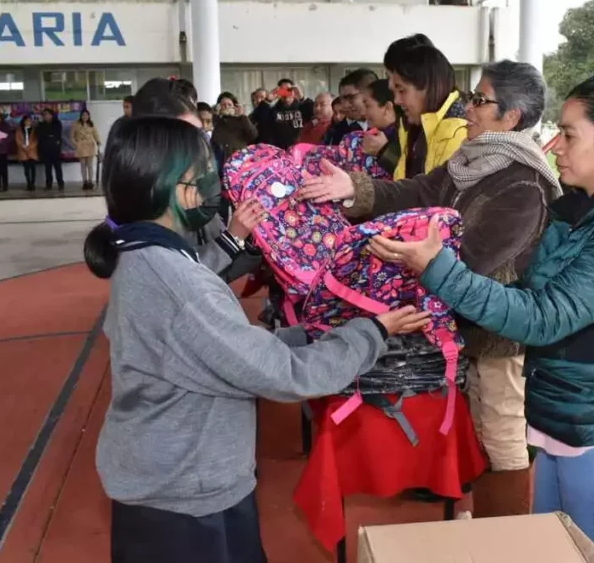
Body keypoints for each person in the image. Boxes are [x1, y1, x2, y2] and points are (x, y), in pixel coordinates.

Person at [359, 75, 594, 563]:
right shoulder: (582, 211)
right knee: (555, 548)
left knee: (593, 553)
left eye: (571, 135)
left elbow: (544, 318)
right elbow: (535, 294)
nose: (555, 147)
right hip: (566, 413)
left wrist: (439, 270)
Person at [83, 116, 431, 563]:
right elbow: (286, 377)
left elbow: (223, 351)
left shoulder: (147, 258)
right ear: (173, 188)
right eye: (203, 177)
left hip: (173, 480)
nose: (214, 190)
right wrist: (374, 331)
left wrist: (306, 334)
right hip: (184, 500)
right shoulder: (178, 283)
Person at [298, 60, 562, 518]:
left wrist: (400, 258)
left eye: (481, 100)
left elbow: (475, 259)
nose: (470, 107)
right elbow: (417, 191)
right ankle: (476, 524)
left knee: (501, 439)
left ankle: (507, 536)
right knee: (474, 435)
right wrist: (354, 189)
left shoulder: (525, 182)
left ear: (512, 117)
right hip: (459, 325)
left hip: (497, 339)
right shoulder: (470, 162)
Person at [130, 77, 263, 284]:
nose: (201, 145)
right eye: (188, 136)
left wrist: (251, 240)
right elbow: (177, 279)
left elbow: (224, 271)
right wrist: (232, 238)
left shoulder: (197, 189)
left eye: (200, 133)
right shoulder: (146, 208)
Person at [385, 43, 466, 179]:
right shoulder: (414, 128)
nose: (397, 101)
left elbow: (438, 195)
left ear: (427, 88)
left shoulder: (458, 132)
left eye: (402, 90)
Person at [359, 79, 403, 177]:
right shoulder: (371, 137)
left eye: (367, 106)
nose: (363, 113)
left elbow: (411, 175)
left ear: (387, 108)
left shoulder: (409, 136)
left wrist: (384, 150)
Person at [324, 69, 378, 145]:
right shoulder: (334, 132)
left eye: (350, 97)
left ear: (370, 94)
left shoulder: (390, 128)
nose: (345, 105)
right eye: (342, 98)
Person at [73, 109, 102, 190]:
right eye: (83, 115)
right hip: (81, 146)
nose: (85, 117)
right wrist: (76, 144)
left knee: (90, 166)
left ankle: (90, 181)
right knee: (83, 165)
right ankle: (84, 182)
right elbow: (72, 136)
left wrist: (98, 141)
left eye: (86, 115)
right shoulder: (76, 124)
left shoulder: (91, 124)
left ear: (88, 116)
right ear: (81, 116)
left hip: (90, 146)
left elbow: (96, 134)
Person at [37, 108, 64, 191]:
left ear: (51, 115)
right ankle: (49, 184)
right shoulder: (41, 125)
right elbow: (40, 135)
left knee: (58, 168)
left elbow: (57, 135)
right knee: (47, 168)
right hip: (45, 149)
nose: (45, 116)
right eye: (44, 115)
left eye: (47, 114)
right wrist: (49, 136)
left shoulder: (57, 123)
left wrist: (50, 136)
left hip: (55, 149)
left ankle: (60, 184)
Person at [16, 115, 39, 191]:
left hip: (32, 151)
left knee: (33, 168)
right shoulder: (19, 130)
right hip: (23, 151)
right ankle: (28, 183)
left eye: (30, 120)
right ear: (24, 121)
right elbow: (17, 140)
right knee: (26, 169)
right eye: (27, 120)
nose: (28, 122)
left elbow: (36, 140)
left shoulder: (34, 130)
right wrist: (23, 147)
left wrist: (29, 147)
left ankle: (33, 183)